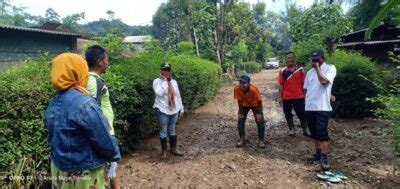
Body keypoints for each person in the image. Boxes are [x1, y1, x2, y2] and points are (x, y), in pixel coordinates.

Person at [44, 53, 120, 188]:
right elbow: (104, 141)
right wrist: (113, 155)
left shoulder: (54, 101)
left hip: (59, 170)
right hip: (84, 173)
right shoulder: (84, 103)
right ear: (78, 71)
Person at [85, 45, 120, 189]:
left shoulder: (92, 80)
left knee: (112, 169)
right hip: (104, 132)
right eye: (106, 59)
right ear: (100, 61)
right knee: (107, 169)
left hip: (105, 130)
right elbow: (90, 110)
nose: (107, 62)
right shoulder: (92, 81)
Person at [303, 49, 337, 171]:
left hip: (322, 107)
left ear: (323, 58)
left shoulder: (330, 68)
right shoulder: (309, 73)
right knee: (314, 133)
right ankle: (317, 153)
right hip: (310, 107)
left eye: (317, 59)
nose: (315, 61)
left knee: (322, 133)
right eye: (313, 59)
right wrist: (306, 102)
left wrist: (318, 69)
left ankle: (324, 157)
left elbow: (323, 81)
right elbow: (306, 89)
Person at [153, 63, 184, 159]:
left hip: (174, 110)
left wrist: (181, 108)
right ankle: (164, 151)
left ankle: (173, 149)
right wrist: (165, 82)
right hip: (162, 110)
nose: (166, 71)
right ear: (161, 71)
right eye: (164, 69)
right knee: (163, 130)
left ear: (170, 71)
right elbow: (159, 93)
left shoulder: (174, 82)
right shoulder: (157, 82)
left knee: (172, 129)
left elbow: (177, 96)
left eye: (168, 70)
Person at [278, 52, 311, 137]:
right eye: (288, 58)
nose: (289, 59)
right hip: (286, 97)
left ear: (294, 59)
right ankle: (291, 129)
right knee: (287, 113)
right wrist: (280, 97)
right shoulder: (282, 71)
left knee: (302, 113)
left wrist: (305, 96)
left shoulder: (300, 70)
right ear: (285, 59)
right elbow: (281, 85)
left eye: (291, 57)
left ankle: (305, 129)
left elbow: (304, 84)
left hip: (299, 96)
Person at [234, 75, 266, 148]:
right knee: (240, 120)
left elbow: (259, 101)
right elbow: (239, 101)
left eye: (243, 83)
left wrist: (259, 113)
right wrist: (240, 113)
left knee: (260, 121)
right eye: (240, 83)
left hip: (255, 104)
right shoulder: (237, 89)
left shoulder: (253, 90)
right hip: (244, 105)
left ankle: (261, 140)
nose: (241, 85)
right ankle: (242, 138)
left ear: (248, 83)